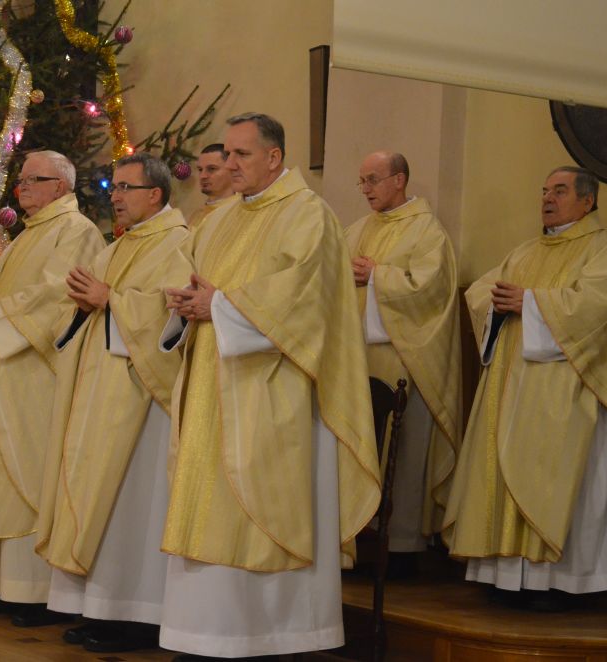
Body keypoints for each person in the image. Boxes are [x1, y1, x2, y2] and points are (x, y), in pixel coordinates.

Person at [161, 113, 380, 658]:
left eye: (242, 154)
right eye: (228, 154)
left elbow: (305, 299)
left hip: (273, 390)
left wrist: (220, 305)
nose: (229, 164)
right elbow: (201, 283)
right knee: (208, 509)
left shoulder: (308, 214)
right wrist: (189, 302)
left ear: (275, 157)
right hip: (213, 384)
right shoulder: (221, 219)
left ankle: (268, 634)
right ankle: (206, 634)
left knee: (263, 510)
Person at [442, 166, 607, 606]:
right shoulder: (525, 251)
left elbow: (598, 307)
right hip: (512, 389)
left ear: (587, 201)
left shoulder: (603, 249)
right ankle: (507, 578)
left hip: (570, 392)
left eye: (559, 191)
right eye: (544, 191)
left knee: (561, 479)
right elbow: (481, 291)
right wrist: (500, 305)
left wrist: (531, 302)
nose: (547, 199)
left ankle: (564, 583)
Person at [36, 152, 191, 653]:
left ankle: (138, 615)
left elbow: (170, 315)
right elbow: (89, 305)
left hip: (142, 401)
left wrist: (111, 301)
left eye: (126, 188)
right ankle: (102, 609)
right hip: (99, 391)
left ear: (156, 194)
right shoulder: (119, 245)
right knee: (100, 503)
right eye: (113, 188)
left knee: (132, 507)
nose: (115, 197)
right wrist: (89, 303)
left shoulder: (178, 242)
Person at [0, 150, 106, 626]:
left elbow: (60, 295)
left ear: (60, 186)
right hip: (2, 371)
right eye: (20, 180)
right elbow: (7, 295)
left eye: (32, 179)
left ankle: (36, 592)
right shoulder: (29, 233)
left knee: (30, 476)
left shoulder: (76, 230)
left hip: (36, 377)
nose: (21, 188)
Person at [344, 151, 461, 568]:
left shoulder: (427, 232)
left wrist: (378, 276)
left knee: (402, 448)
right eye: (361, 181)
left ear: (399, 180)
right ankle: (355, 535)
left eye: (372, 179)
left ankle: (400, 546)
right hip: (357, 358)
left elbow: (431, 291)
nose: (365, 189)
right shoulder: (356, 230)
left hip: (404, 357)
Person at [187, 143, 235, 229]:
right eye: (200, 170)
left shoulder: (238, 211)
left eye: (212, 169)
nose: (203, 176)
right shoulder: (197, 216)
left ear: (231, 170)